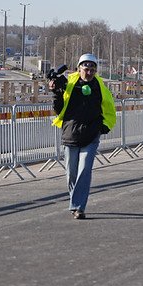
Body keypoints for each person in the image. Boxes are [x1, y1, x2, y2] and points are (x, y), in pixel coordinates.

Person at [51, 53, 116, 220]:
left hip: (91, 135)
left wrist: (102, 128)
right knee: (71, 174)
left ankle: (78, 207)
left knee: (84, 171)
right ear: (79, 69)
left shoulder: (100, 88)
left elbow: (110, 110)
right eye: (86, 69)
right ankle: (75, 201)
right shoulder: (69, 85)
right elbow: (59, 109)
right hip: (70, 134)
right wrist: (56, 92)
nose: (89, 73)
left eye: (92, 70)